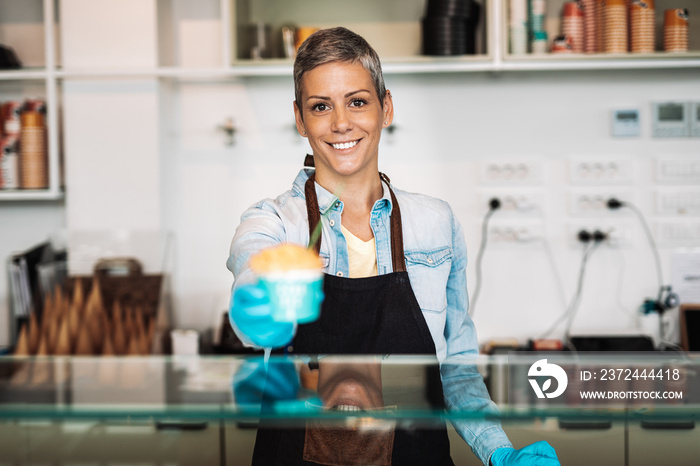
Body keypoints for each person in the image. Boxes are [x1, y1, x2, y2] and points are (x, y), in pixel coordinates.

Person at [227, 26, 560, 466]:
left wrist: (499, 450)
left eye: (358, 101)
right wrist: (263, 299)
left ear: (386, 107)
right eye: (320, 106)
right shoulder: (272, 223)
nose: (341, 122)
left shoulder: (436, 224)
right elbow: (251, 280)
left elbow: (454, 369)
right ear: (299, 118)